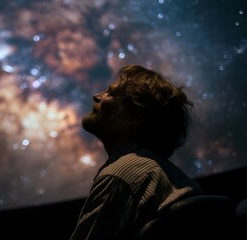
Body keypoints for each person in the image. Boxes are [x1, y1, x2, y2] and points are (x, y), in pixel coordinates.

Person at [70, 64, 203, 239]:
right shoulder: (165, 173)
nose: (97, 96)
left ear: (134, 116)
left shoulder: (121, 175)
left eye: (111, 93)